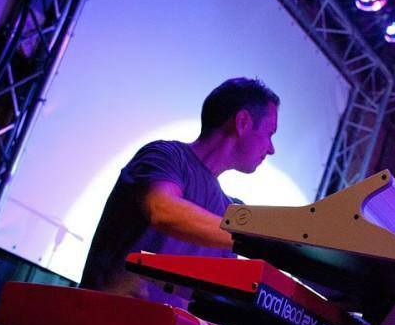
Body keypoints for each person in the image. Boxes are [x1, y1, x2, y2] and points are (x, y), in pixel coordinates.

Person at [79, 77, 280, 307]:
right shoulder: (165, 155)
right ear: (242, 122)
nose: (271, 149)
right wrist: (249, 238)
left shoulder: (228, 209)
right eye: (270, 132)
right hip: (101, 319)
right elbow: (163, 210)